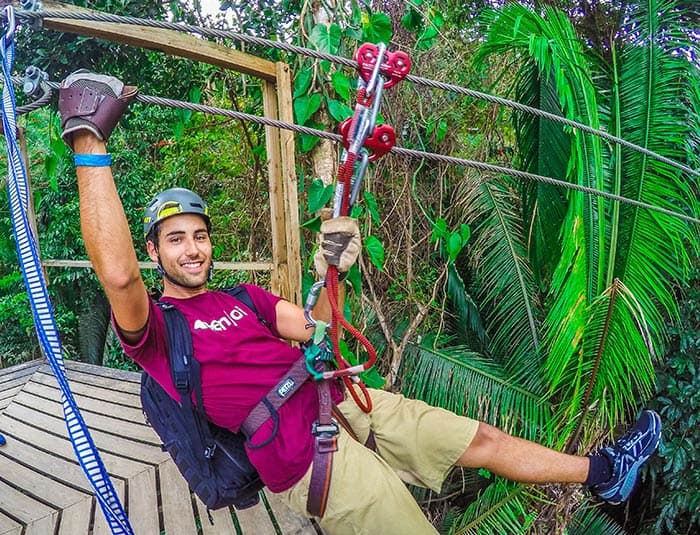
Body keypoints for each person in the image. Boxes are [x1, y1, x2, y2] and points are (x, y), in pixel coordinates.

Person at [59, 70, 662, 535]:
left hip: (345, 404)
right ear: (154, 251)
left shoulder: (243, 297)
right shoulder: (158, 334)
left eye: (199, 235)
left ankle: (604, 474)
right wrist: (90, 138)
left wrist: (332, 267)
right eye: (175, 240)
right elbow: (117, 279)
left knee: (477, 441)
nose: (192, 250)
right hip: (306, 461)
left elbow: (319, 331)